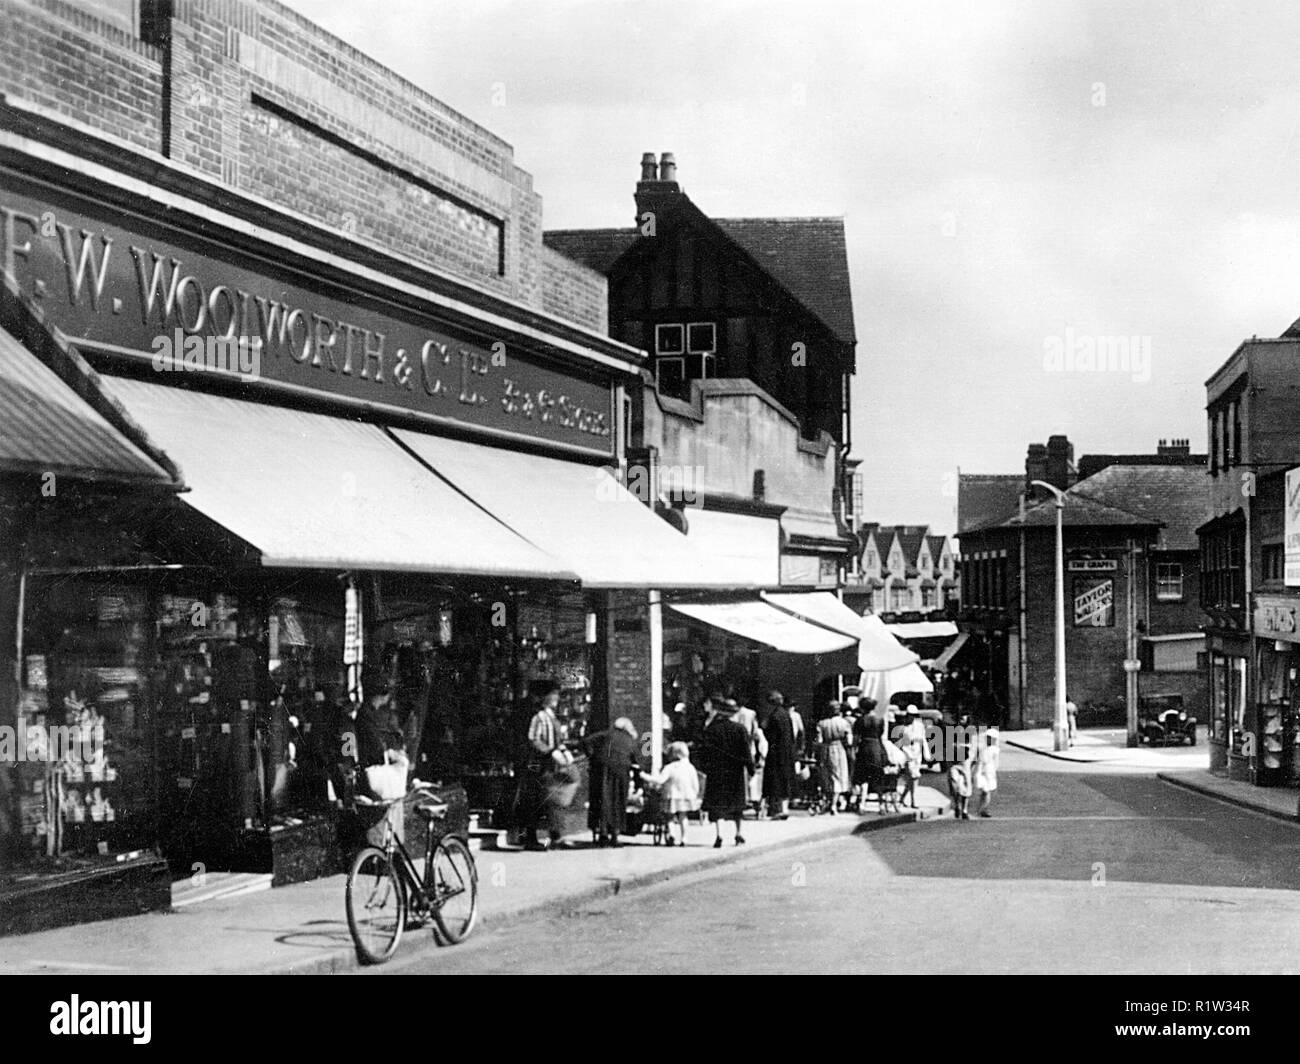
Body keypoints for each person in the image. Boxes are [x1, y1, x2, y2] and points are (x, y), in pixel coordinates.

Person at [694, 691, 754, 846]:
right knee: (737, 805)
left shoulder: (712, 729)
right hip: (735, 771)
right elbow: (746, 752)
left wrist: (704, 767)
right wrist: (751, 768)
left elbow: (704, 750)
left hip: (716, 771)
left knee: (717, 805)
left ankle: (719, 834)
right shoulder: (740, 729)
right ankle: (738, 833)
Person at [516, 679, 569, 850]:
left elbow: (556, 739)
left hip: (546, 766)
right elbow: (533, 738)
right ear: (543, 696)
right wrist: (550, 751)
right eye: (552, 694)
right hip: (536, 765)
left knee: (548, 800)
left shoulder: (550, 715)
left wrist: (563, 751)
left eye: (556, 694)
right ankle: (532, 838)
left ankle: (554, 836)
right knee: (535, 801)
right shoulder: (537, 715)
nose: (556, 698)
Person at [583, 717, 640, 846]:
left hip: (601, 770)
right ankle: (615, 834)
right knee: (618, 801)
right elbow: (635, 759)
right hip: (621, 771)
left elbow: (586, 741)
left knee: (602, 800)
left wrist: (592, 757)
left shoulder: (605, 734)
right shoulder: (630, 739)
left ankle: (602, 833)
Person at [641, 741, 701, 846]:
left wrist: (645, 776)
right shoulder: (690, 767)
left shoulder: (670, 767)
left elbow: (660, 780)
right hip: (686, 795)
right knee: (683, 816)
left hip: (671, 795)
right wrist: (695, 793)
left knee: (669, 816)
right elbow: (695, 783)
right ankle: (684, 838)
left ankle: (672, 835)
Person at [729, 697, 767, 818]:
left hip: (734, 749)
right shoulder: (751, 714)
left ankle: (740, 801)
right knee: (751, 775)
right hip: (748, 747)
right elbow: (755, 732)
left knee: (737, 775)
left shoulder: (731, 714)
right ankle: (753, 801)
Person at [761, 691, 796, 819]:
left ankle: (776, 809)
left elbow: (771, 736)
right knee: (785, 779)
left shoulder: (773, 716)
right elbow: (791, 735)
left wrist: (764, 728)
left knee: (775, 780)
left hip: (775, 752)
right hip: (787, 751)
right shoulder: (786, 715)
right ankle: (784, 808)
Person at [815, 702, 854, 812]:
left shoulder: (822, 723)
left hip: (825, 749)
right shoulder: (844, 723)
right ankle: (833, 804)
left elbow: (819, 740)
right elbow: (849, 741)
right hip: (839, 748)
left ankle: (828, 802)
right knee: (838, 776)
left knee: (826, 775)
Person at [897, 705, 930, 810]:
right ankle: (913, 800)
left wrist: (927, 753)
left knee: (912, 778)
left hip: (917, 753)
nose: (911, 717)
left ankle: (902, 798)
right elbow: (902, 744)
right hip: (908, 754)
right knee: (913, 776)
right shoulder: (903, 728)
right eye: (910, 715)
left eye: (914, 715)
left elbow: (923, 739)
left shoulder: (920, 726)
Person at [973, 727, 1000, 817]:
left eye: (990, 737)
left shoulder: (995, 750)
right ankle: (981, 808)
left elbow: (995, 763)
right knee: (983, 791)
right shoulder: (982, 747)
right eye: (987, 737)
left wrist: (993, 772)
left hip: (988, 771)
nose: (988, 739)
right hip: (980, 770)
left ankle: (984, 809)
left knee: (986, 791)